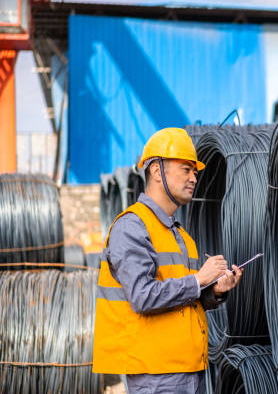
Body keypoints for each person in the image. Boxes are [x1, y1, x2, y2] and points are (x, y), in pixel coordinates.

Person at [93, 127, 243, 393]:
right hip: (157, 375)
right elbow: (143, 296)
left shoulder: (181, 235)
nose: (194, 177)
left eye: (195, 171)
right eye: (186, 169)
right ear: (155, 171)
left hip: (189, 370)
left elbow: (184, 300)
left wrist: (214, 291)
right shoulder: (133, 227)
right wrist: (199, 279)